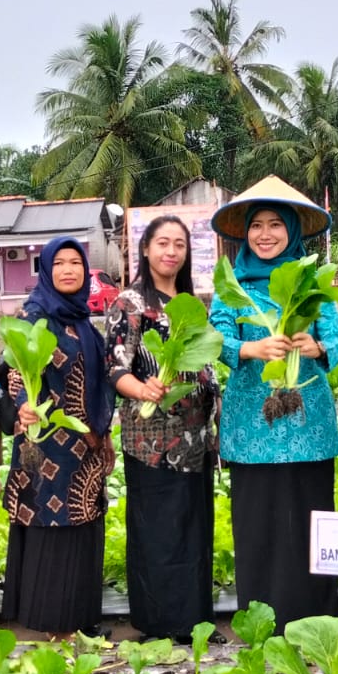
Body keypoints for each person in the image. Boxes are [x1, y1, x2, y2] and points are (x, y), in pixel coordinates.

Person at [209, 176, 338, 630]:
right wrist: (248, 349)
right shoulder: (233, 284)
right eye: (257, 226)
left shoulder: (311, 281)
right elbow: (215, 338)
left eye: (276, 225)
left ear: (292, 231)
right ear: (244, 233)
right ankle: (262, 620)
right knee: (258, 521)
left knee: (308, 516)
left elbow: (337, 339)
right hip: (253, 419)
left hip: (306, 419)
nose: (265, 234)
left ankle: (313, 617)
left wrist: (318, 348)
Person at [106, 215, 218, 641]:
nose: (171, 252)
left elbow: (205, 360)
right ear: (146, 249)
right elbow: (115, 368)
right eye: (163, 243)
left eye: (179, 245)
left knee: (193, 531)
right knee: (157, 533)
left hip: (195, 440)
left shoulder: (194, 303)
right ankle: (158, 624)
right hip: (150, 441)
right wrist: (144, 389)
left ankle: (194, 623)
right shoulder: (129, 304)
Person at [0, 237, 116, 637]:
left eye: (76, 263)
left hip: (86, 445)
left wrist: (104, 434)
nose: (69, 270)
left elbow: (99, 385)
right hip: (46, 440)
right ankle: (50, 621)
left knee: (82, 527)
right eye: (60, 264)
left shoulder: (83, 321)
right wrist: (22, 405)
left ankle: (79, 619)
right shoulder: (34, 316)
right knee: (51, 526)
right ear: (46, 271)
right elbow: (14, 369)